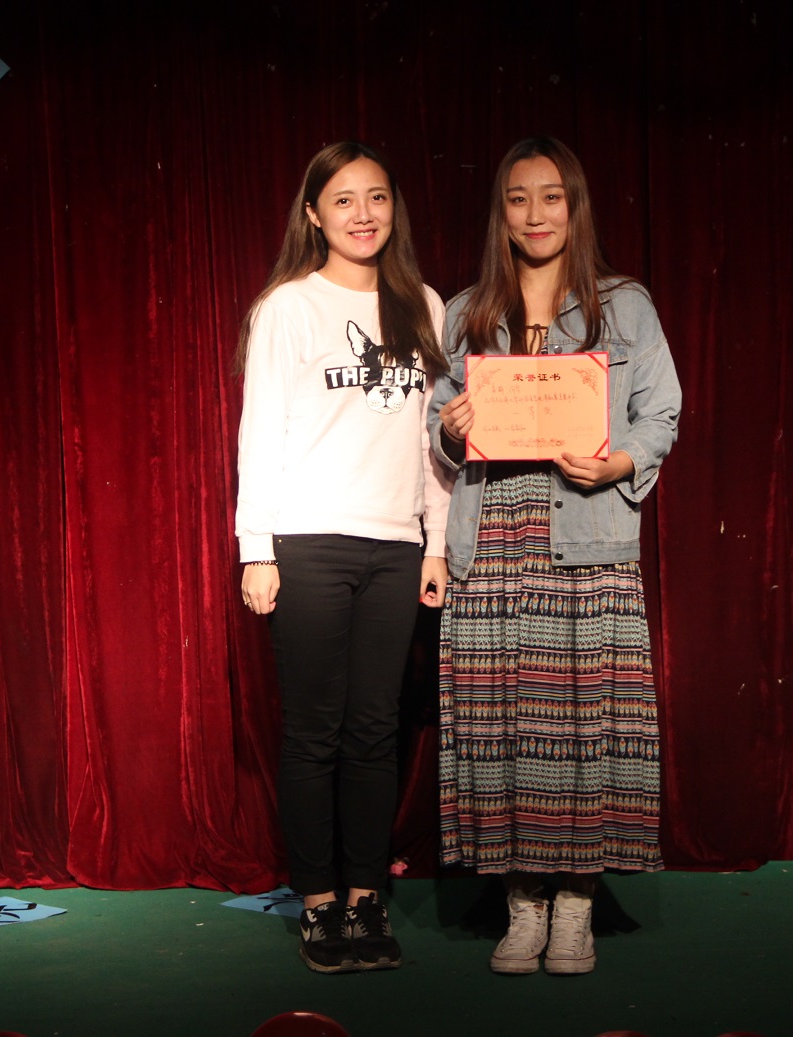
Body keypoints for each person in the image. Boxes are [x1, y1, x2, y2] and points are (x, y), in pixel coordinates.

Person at [428, 137, 681, 975]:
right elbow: (437, 427)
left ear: (575, 206)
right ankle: (522, 904)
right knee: (505, 723)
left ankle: (575, 905)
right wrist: (451, 429)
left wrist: (620, 462)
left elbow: (661, 413)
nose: (535, 214)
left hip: (587, 535)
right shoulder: (466, 311)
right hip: (492, 535)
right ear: (500, 213)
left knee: (583, 726)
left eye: (551, 197)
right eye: (518, 198)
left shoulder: (625, 305)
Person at [234, 141, 450, 974]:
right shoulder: (288, 307)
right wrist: (258, 550)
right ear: (314, 214)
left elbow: (430, 440)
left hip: (396, 546)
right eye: (345, 199)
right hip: (310, 542)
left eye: (378, 197)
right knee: (314, 732)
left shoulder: (422, 304)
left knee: (374, 731)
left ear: (395, 208)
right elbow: (262, 432)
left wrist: (435, 541)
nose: (364, 214)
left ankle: (367, 898)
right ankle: (319, 902)